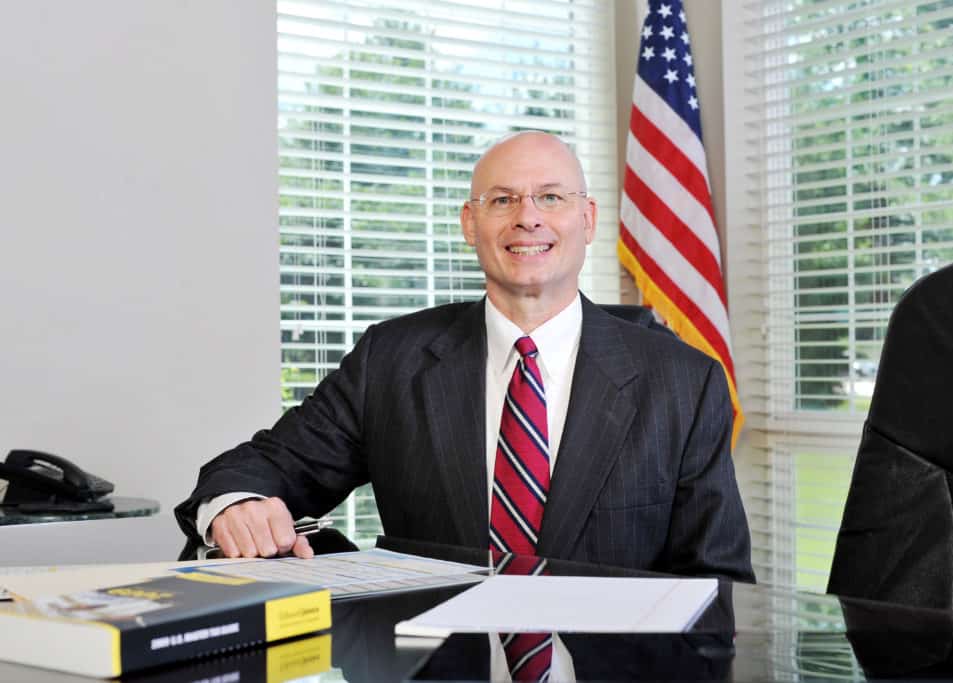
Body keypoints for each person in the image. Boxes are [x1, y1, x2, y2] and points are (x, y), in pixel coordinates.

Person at [175, 131, 754, 582]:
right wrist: (239, 504)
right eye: (502, 200)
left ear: (588, 220)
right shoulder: (391, 360)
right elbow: (265, 466)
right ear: (469, 224)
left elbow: (716, 582)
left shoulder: (684, 380)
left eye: (550, 197)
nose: (527, 216)